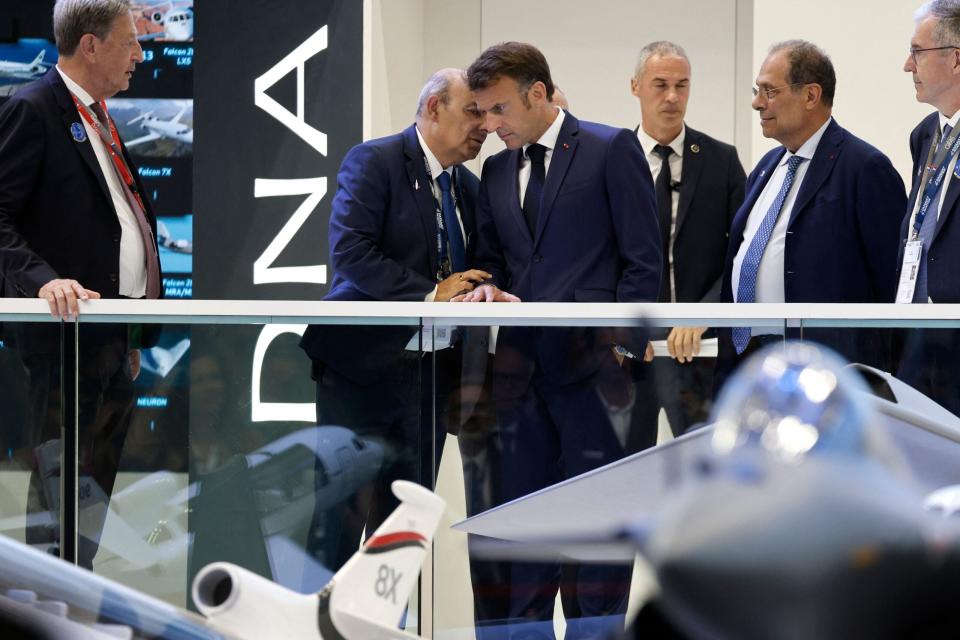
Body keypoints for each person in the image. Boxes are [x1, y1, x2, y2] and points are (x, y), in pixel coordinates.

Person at [460, 41, 661, 638]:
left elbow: (643, 264)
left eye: (498, 110)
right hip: (519, 387)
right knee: (522, 544)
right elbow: (492, 261)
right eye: (483, 112)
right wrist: (486, 289)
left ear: (539, 93)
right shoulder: (495, 170)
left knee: (596, 552)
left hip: (599, 385)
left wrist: (624, 354)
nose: (489, 126)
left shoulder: (609, 148)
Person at [298, 69, 491, 574]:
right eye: (473, 111)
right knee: (339, 523)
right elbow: (351, 253)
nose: (485, 126)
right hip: (361, 373)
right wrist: (430, 294)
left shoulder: (470, 189)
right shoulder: (375, 160)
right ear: (433, 108)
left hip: (433, 379)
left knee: (400, 538)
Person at [0, 0, 160, 567]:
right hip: (64, 343)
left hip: (110, 343)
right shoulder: (34, 107)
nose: (141, 54)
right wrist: (42, 281)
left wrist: (133, 330)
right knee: (57, 514)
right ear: (90, 46)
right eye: (130, 41)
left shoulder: (98, 116)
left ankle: (75, 615)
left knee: (89, 513)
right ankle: (44, 618)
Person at [717, 40, 905, 386]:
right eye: (757, 91)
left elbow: (890, 285)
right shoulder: (766, 168)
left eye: (769, 91)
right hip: (753, 363)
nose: (757, 103)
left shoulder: (864, 168)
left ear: (810, 95)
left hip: (831, 370)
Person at [629, 41, 745, 446]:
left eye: (682, 85)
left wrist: (705, 312)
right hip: (631, 353)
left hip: (700, 350)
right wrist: (618, 330)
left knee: (708, 471)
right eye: (660, 84)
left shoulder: (721, 160)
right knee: (623, 478)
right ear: (636, 87)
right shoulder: (612, 159)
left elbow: (743, 253)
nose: (672, 97)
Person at [897, 0, 960, 415]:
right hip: (919, 334)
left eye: (917, 52)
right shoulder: (925, 135)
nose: (908, 65)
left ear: (955, 60)